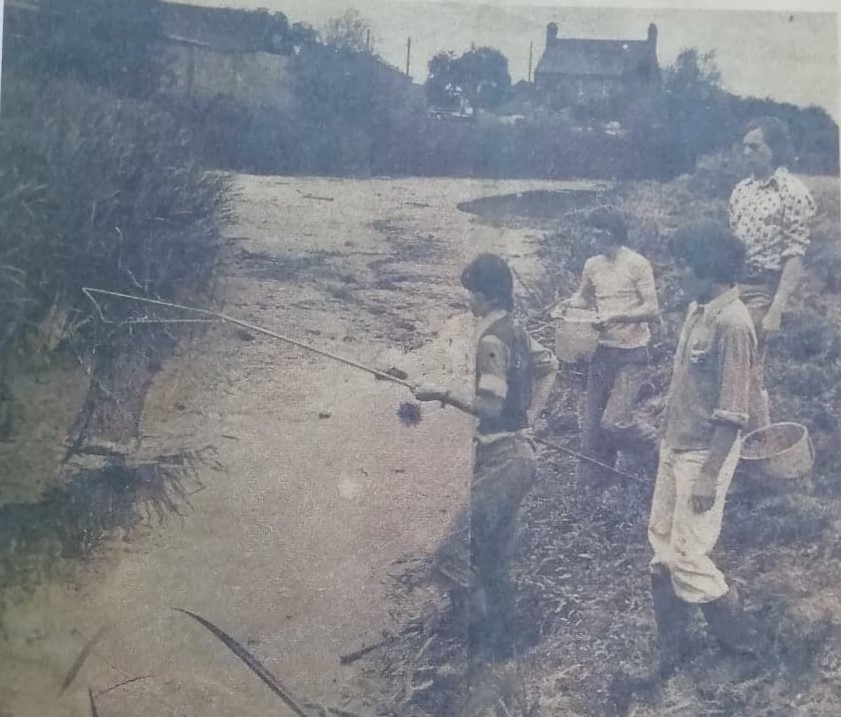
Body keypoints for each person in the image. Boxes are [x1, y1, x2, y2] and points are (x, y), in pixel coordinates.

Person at [412, 253, 558, 661]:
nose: (468, 302)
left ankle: (483, 646)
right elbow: (552, 366)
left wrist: (439, 393)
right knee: (493, 558)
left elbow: (491, 407)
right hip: (519, 454)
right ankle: (502, 644)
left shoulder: (491, 340)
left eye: (471, 294)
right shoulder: (517, 330)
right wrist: (532, 417)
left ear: (488, 294)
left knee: (450, 557)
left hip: (503, 460)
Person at [648, 221, 766, 678]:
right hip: (673, 446)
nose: (677, 274)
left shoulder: (735, 326)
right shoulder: (698, 312)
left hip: (702, 454)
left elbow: (733, 411)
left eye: (684, 267)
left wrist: (708, 474)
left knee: (689, 557)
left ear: (708, 270)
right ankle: (673, 649)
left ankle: (743, 651)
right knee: (661, 550)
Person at [554, 205, 660, 485]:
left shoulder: (637, 264)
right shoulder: (592, 265)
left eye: (594, 233)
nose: (590, 238)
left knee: (614, 422)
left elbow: (652, 309)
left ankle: (654, 445)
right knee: (591, 431)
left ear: (609, 232)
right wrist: (566, 305)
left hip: (632, 354)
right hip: (601, 353)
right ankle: (592, 489)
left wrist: (617, 316)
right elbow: (583, 298)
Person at [729, 116, 817, 430]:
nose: (746, 152)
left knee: (745, 366)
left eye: (754, 146)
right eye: (744, 147)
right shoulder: (741, 190)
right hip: (733, 286)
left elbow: (795, 255)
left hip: (764, 290)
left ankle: (759, 444)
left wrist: (776, 309)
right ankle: (737, 439)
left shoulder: (792, 192)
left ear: (774, 149)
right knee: (725, 362)